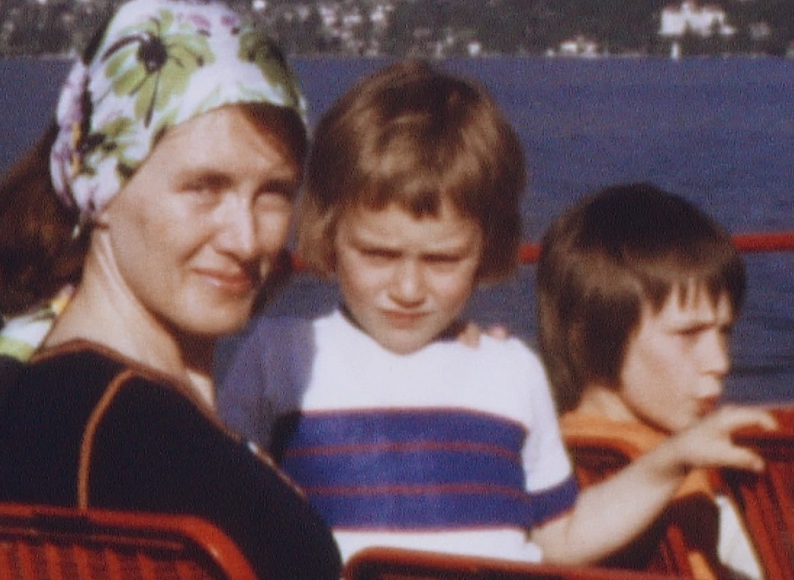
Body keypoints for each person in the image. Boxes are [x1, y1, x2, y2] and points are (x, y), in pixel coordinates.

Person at [216, 60, 774, 566]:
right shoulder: (280, 357)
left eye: (443, 259)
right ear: (329, 235)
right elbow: (220, 502)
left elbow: (562, 538)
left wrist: (672, 461)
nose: (408, 288)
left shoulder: (510, 370)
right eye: (379, 254)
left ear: (488, 249)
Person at [0, 0, 342, 579]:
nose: (248, 240)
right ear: (101, 188)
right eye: (205, 187)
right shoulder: (154, 444)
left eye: (274, 192)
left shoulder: (3, 384)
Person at [537, 182, 765, 579]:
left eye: (724, 332)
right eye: (688, 334)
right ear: (594, 337)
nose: (720, 362)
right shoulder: (642, 465)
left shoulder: (557, 447)